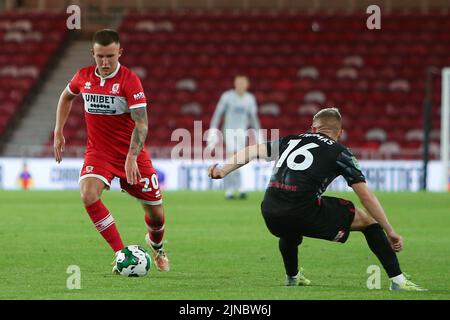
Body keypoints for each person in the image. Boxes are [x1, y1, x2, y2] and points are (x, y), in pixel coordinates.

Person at [208, 107, 426, 291]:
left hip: (270, 209)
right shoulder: (341, 152)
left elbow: (252, 150)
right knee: (368, 221)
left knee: (290, 230)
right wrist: (390, 230)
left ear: (313, 128)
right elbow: (365, 196)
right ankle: (397, 280)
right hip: (301, 210)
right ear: (339, 133)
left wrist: (223, 170)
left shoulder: (291, 140)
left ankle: (292, 278)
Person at [53, 29, 169, 272]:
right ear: (92, 54)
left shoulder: (130, 80)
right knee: (87, 194)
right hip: (99, 153)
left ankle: (157, 247)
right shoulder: (83, 77)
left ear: (120, 53)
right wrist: (58, 131)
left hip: (132, 154)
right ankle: (121, 253)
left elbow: (142, 123)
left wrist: (132, 157)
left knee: (156, 215)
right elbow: (66, 97)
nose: (105, 63)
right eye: (100, 56)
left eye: (110, 56)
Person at [206, 75, 262, 200]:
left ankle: (239, 188)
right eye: (239, 83)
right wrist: (213, 129)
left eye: (243, 83)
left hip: (242, 132)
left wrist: (259, 134)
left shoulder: (250, 99)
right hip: (229, 131)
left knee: (240, 160)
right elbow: (217, 114)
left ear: (247, 85)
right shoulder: (227, 97)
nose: (241, 85)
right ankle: (230, 190)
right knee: (232, 159)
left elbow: (253, 118)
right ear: (235, 84)